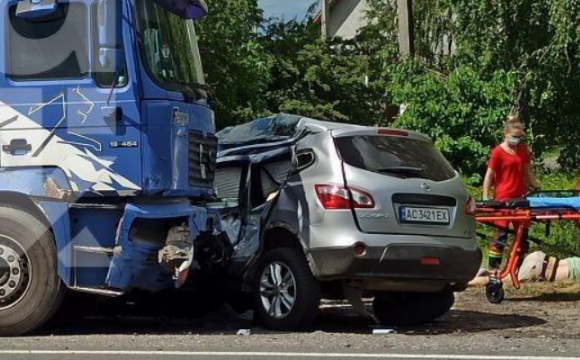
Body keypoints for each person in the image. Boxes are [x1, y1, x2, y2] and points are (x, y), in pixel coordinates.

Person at [482, 115, 540, 270]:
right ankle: (494, 269)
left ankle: (516, 266)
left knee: (522, 234)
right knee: (501, 234)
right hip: (503, 198)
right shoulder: (497, 152)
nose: (517, 140)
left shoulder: (522, 150)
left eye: (520, 137)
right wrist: (486, 197)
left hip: (521, 197)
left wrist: (537, 186)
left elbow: (528, 171)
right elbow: (489, 175)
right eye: (514, 137)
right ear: (505, 134)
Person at [469, 251, 580, 286]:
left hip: (539, 258)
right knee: (498, 281)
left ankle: (478, 273)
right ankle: (464, 283)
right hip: (537, 270)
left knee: (504, 274)